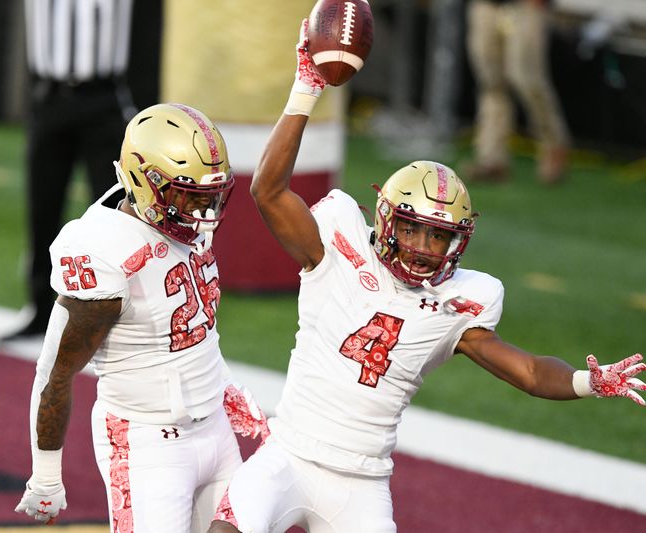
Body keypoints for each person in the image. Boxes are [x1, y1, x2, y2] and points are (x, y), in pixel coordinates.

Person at [208, 21, 644, 533]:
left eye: (438, 236)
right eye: (413, 230)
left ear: (457, 242)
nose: (423, 248)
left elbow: (526, 371)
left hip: (360, 484)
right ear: (387, 219)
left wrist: (585, 382)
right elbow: (268, 191)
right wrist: (307, 86)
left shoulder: (461, 301)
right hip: (288, 455)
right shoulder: (337, 244)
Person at [14, 103, 269, 531]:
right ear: (141, 181)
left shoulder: (188, 228)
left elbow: (196, 335)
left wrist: (225, 387)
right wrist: (45, 475)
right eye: (186, 195)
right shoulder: (106, 247)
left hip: (216, 432)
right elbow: (55, 371)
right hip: (149, 446)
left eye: (208, 196)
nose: (200, 212)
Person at [1, 0, 138, 341]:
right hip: (49, 95)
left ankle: (117, 315)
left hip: (104, 97)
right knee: (42, 207)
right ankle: (40, 308)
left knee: (114, 214)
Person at [464, 0, 570, 184]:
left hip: (526, 6)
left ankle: (554, 146)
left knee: (527, 79)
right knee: (491, 82)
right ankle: (491, 158)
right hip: (486, 5)